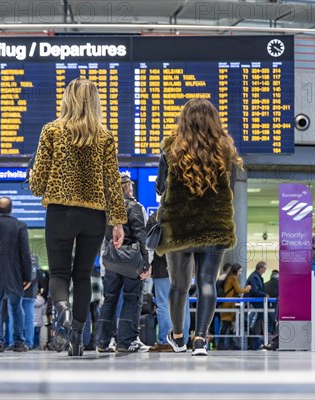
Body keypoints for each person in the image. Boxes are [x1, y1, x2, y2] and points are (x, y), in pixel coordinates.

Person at [30, 78, 126, 357]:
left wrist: (47, 185)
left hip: (60, 212)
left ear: (66, 99)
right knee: (82, 274)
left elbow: (37, 183)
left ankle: (63, 311)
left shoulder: (51, 130)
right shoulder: (104, 136)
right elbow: (112, 182)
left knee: (59, 273)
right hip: (94, 215)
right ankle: (77, 338)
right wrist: (117, 221)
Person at [154, 98, 243, 356]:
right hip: (214, 225)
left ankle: (178, 337)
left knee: (178, 285)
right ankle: (201, 339)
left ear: (184, 120)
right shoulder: (225, 149)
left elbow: (161, 187)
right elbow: (232, 190)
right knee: (207, 282)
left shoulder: (170, 148)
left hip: (179, 226)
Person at [96, 173, 150, 353]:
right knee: (131, 299)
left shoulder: (106, 209)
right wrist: (146, 264)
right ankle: (125, 342)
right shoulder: (135, 207)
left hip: (112, 260)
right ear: (127, 188)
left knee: (109, 299)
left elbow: (104, 239)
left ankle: (102, 342)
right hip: (131, 260)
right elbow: (141, 237)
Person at [0, 197, 32, 353]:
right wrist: (27, 276)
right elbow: (25, 253)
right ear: (11, 209)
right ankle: (18, 342)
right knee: (16, 307)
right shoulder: (20, 226)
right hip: (14, 273)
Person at [147, 211, 190, 352]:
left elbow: (149, 243)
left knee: (164, 304)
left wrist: (147, 265)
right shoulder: (184, 215)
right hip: (183, 266)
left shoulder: (156, 216)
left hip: (162, 266)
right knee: (184, 303)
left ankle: (165, 341)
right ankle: (182, 339)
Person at [219, 264, 250, 350]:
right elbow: (239, 290)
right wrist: (247, 288)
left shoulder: (229, 277)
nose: (240, 273)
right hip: (229, 305)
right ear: (236, 270)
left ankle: (227, 344)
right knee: (226, 325)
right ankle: (222, 345)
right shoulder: (233, 278)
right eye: (240, 271)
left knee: (228, 325)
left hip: (227, 304)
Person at [246, 261, 268, 350]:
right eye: (264, 269)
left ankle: (254, 344)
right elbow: (255, 291)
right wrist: (264, 295)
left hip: (256, 304)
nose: (265, 271)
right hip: (254, 304)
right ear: (261, 268)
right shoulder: (254, 277)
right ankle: (253, 344)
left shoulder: (256, 277)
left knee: (256, 324)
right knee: (254, 324)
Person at [22, 254, 40, 350]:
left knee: (27, 319)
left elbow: (33, 276)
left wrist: (22, 286)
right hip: (28, 292)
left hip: (27, 293)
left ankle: (28, 342)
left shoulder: (31, 258)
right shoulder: (33, 259)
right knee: (27, 319)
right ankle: (25, 342)